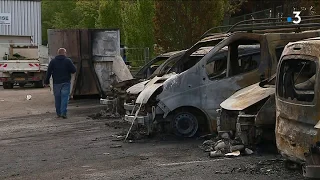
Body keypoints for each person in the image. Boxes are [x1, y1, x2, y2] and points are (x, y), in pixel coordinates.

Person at [45, 48, 76, 119]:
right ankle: (63, 113)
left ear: (58, 53)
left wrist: (46, 82)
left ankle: (58, 113)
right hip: (66, 82)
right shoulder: (68, 61)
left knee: (57, 98)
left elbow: (48, 72)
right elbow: (74, 70)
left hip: (56, 83)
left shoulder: (53, 61)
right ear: (64, 53)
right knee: (64, 98)